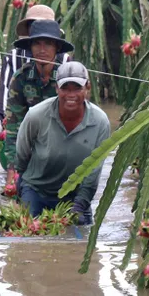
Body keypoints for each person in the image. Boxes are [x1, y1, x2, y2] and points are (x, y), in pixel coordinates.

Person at [14, 61, 111, 226]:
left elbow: (94, 171)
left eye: (77, 88)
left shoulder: (100, 122)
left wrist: (80, 204)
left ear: (88, 88)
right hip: (37, 190)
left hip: (75, 197)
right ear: (57, 89)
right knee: (26, 238)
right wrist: (22, 186)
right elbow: (22, 154)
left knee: (79, 245)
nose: (71, 94)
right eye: (65, 88)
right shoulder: (36, 115)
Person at [3, 19, 73, 185]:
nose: (42, 50)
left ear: (57, 48)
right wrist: (12, 171)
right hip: (32, 142)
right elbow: (14, 128)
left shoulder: (69, 80)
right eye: (37, 44)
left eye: (48, 44)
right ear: (30, 48)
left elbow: (80, 124)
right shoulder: (20, 78)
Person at [0, 5, 69, 144]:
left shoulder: (64, 60)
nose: (42, 48)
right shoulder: (13, 57)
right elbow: (6, 91)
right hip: (20, 122)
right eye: (35, 26)